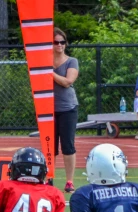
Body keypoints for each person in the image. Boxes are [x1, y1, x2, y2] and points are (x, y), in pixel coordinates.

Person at [53, 28, 80, 193]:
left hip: (67, 108)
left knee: (68, 145)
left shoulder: (72, 61)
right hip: (48, 110)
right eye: (56, 42)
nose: (59, 45)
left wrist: (48, 73)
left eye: (62, 42)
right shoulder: (44, 60)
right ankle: (49, 178)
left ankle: (69, 181)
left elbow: (68, 81)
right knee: (50, 147)